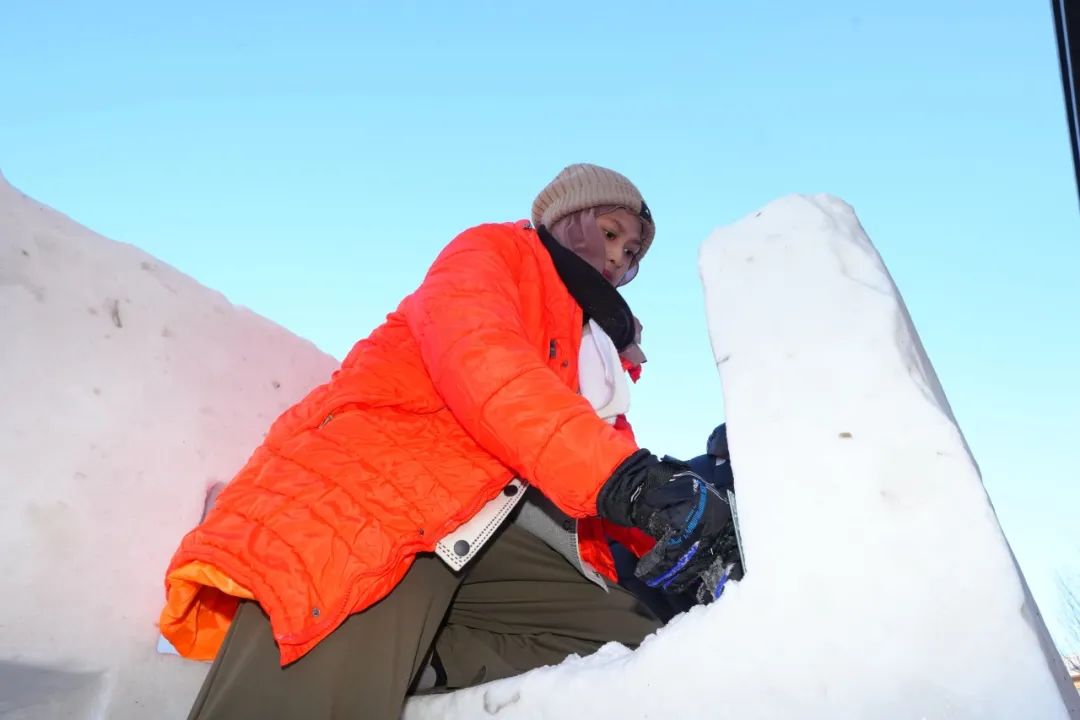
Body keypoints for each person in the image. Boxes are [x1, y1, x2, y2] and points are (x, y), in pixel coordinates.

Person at [160, 163, 743, 719]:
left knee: (633, 641)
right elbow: (487, 366)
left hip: (481, 527)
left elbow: (595, 475)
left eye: (633, 252)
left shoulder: (597, 355)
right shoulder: (495, 253)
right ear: (569, 218)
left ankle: (426, 655)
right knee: (337, 603)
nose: (619, 255)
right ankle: (376, 645)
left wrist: (682, 535)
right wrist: (631, 483)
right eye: (612, 233)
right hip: (381, 486)